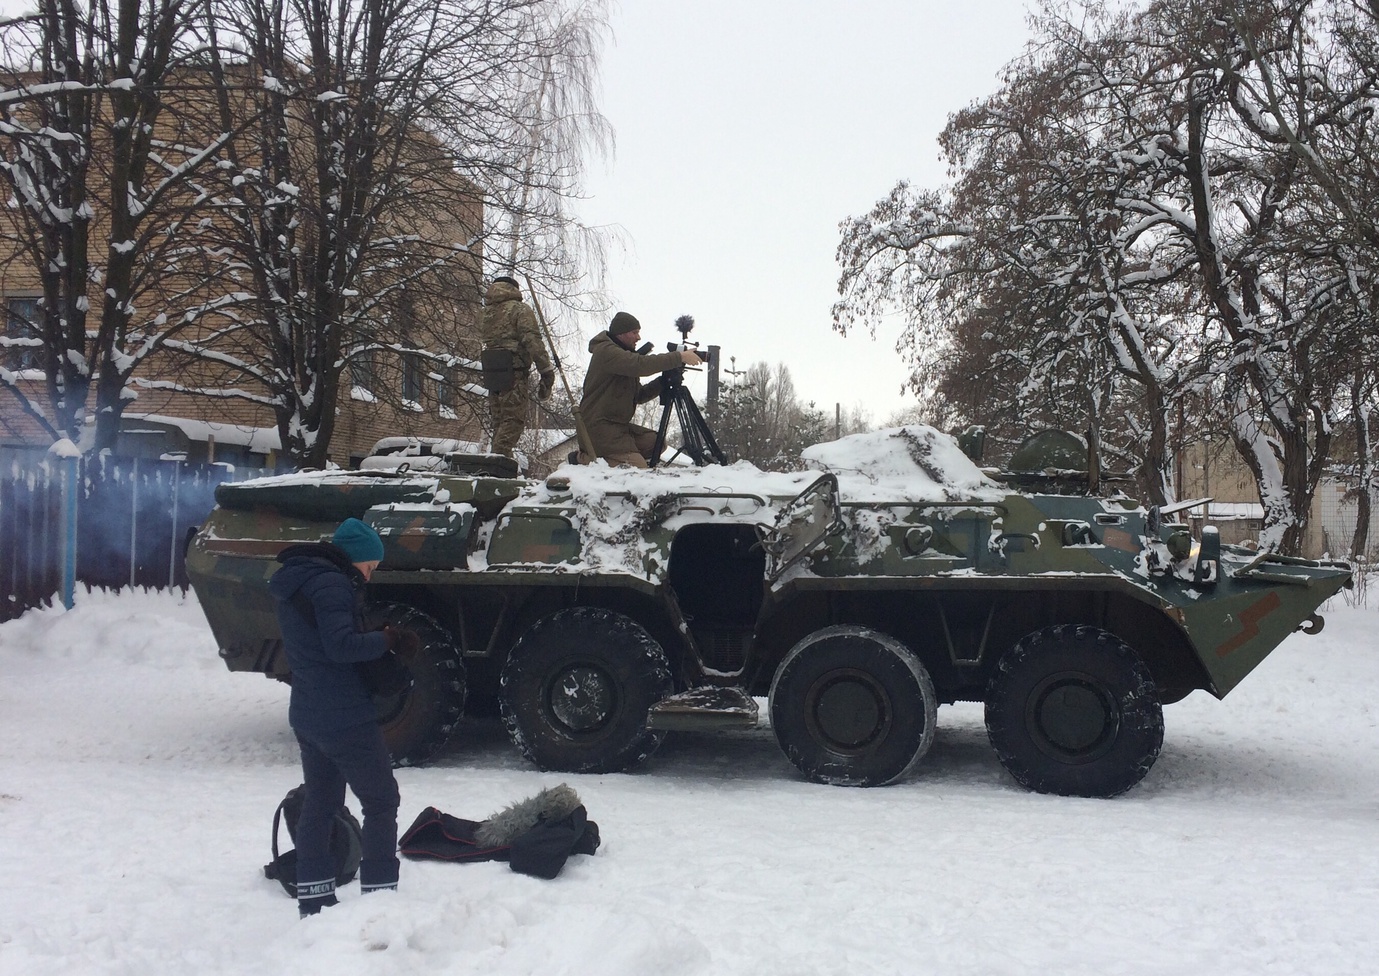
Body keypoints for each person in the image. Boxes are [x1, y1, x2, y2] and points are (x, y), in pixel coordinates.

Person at [269, 517, 409, 917]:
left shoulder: (298, 580)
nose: (370, 575)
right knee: (381, 800)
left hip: (309, 712)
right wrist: (387, 639)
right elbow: (340, 646)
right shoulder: (331, 584)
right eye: (370, 566)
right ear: (357, 558)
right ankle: (380, 898)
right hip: (343, 715)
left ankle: (314, 899)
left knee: (322, 802)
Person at [579, 311, 704, 467]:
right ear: (621, 333)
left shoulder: (622, 359)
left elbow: (639, 395)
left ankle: (614, 458)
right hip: (599, 428)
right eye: (635, 333)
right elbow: (640, 365)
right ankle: (585, 459)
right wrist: (679, 357)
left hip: (616, 427)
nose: (638, 337)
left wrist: (664, 381)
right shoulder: (606, 352)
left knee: (655, 443)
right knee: (638, 469)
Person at [480, 275, 556, 459]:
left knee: (499, 421)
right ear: (514, 289)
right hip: (514, 370)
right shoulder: (519, 310)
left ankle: (498, 459)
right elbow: (532, 339)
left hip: (492, 369)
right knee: (513, 420)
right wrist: (545, 369)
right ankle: (498, 463)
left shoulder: (485, 312)